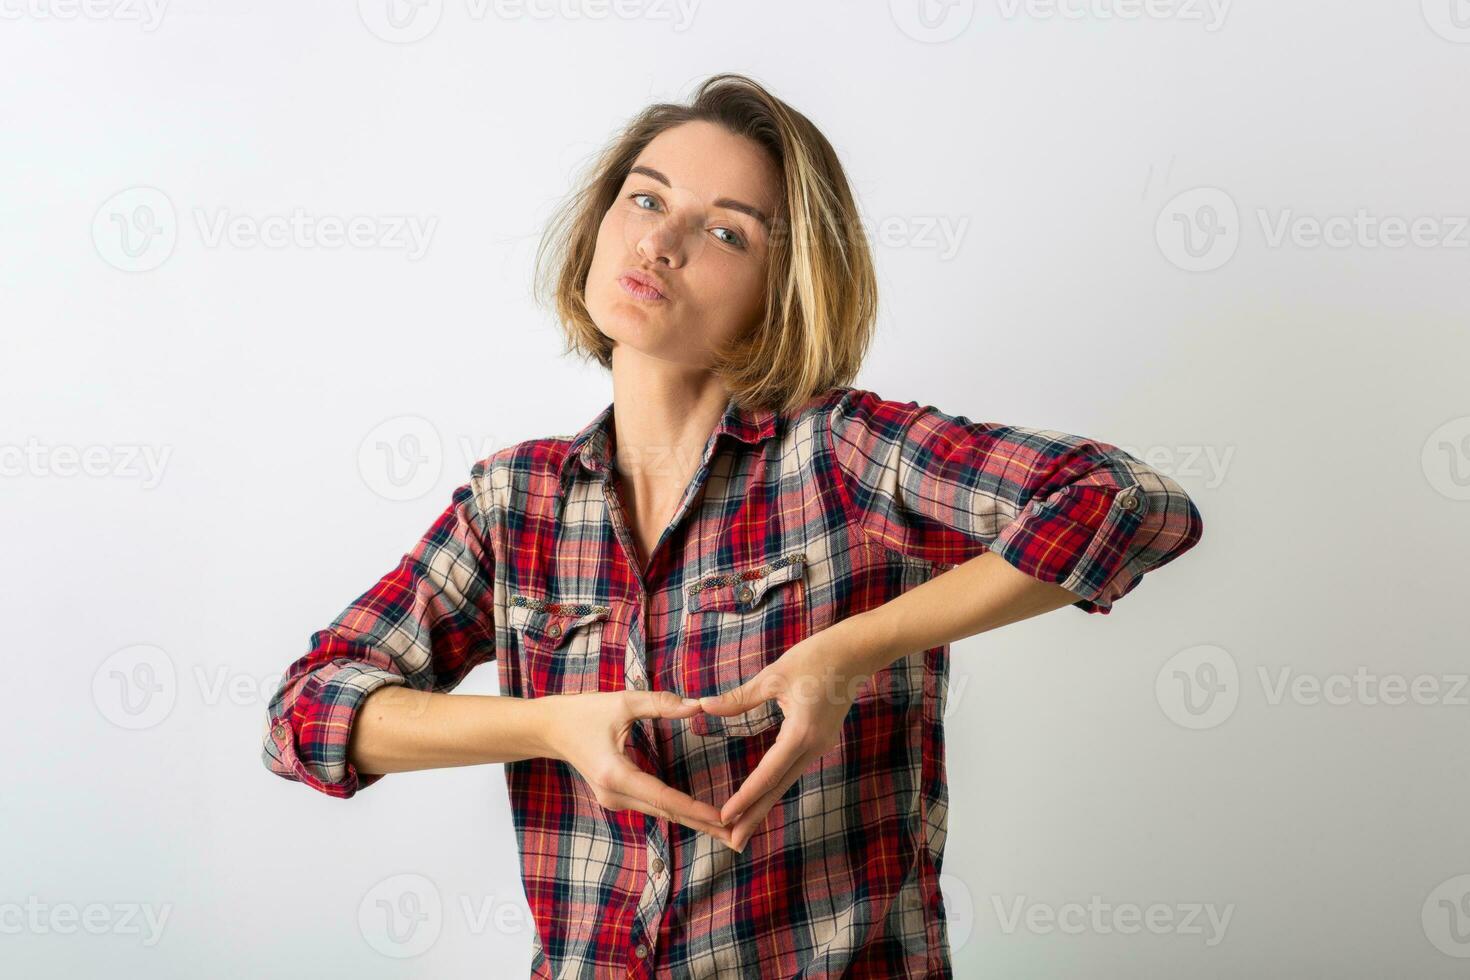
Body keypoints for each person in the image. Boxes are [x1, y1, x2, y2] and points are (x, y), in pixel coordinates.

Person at [261, 72, 1204, 978]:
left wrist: (849, 652)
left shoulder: (842, 456)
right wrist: (547, 726)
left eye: (725, 231)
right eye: (644, 199)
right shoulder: (517, 504)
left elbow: (1125, 502)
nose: (661, 243)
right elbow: (305, 717)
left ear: (784, 288)